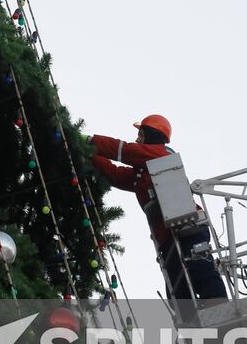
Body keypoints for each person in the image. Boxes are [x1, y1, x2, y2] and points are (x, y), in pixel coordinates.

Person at [90, 115, 227, 303]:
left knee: (200, 269)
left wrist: (90, 141)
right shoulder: (143, 174)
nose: (137, 140)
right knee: (176, 288)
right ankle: (190, 324)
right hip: (167, 237)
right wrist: (89, 154)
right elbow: (114, 174)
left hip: (189, 227)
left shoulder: (161, 155)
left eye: (141, 135)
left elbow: (126, 151)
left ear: (152, 135)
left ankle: (218, 306)